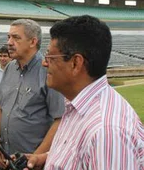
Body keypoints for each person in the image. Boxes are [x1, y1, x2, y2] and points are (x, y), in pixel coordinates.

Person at [24, 15, 144, 170]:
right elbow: (82, 153)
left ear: (75, 63)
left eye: (50, 57)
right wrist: (47, 159)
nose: (44, 62)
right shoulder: (78, 105)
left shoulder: (106, 133)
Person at [0, 19, 65, 169]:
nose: (10, 42)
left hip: (33, 162)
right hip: (6, 156)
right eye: (8, 37)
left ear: (33, 42)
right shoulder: (9, 68)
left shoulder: (48, 71)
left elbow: (60, 120)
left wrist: (34, 159)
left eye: (16, 37)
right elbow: (0, 107)